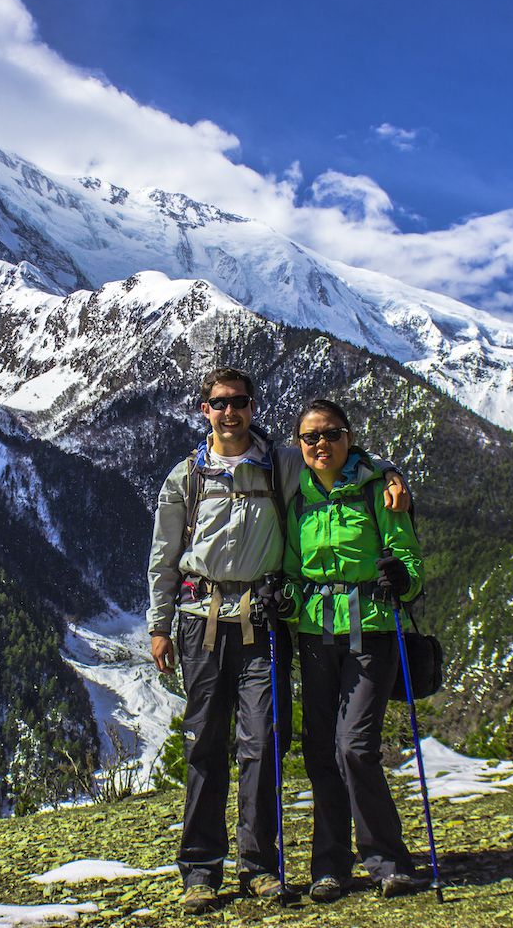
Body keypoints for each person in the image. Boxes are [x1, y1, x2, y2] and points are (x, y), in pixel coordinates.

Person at [147, 369, 408, 913]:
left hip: (262, 621)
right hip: (201, 618)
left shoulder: (280, 462)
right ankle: (200, 869)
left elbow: (336, 464)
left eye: (239, 402)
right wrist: (159, 624)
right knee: (204, 743)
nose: (229, 412)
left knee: (263, 743)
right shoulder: (186, 478)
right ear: (204, 410)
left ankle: (259, 867)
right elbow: (163, 556)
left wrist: (391, 474)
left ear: (251, 406)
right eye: (219, 403)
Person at [283, 398, 424, 901]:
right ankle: (331, 866)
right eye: (310, 437)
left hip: (372, 631)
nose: (321, 444)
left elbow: (408, 561)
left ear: (350, 438)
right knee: (321, 750)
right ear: (299, 445)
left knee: (355, 747)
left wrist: (402, 579)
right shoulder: (296, 497)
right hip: (316, 635)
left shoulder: (376, 493)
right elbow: (294, 569)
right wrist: (287, 599)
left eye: (332, 434)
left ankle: (387, 860)